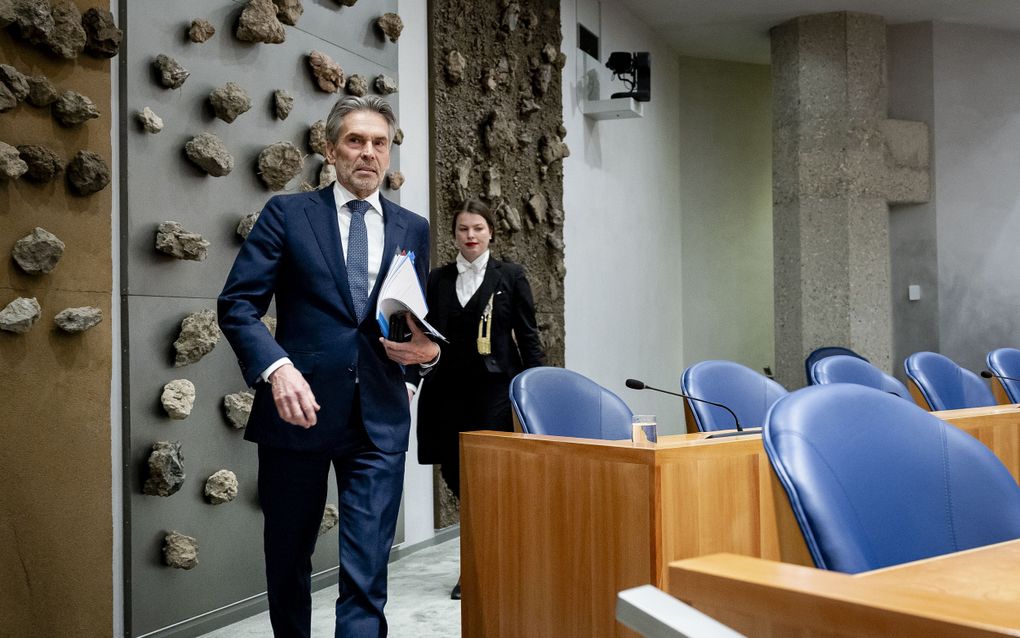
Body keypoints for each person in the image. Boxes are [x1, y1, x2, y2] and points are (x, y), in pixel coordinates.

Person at [217, 95, 439, 638]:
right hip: (299, 413)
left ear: (389, 154)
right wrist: (277, 368)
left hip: (380, 417)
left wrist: (427, 359)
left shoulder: (414, 228)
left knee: (367, 569)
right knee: (288, 559)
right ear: (331, 149)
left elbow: (410, 319)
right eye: (355, 141)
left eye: (379, 143)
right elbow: (238, 305)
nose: (368, 153)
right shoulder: (288, 214)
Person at [415, 199, 545, 598]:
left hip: (493, 394)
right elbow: (422, 335)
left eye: (477, 229)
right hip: (446, 393)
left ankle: (476, 567)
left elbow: (528, 338)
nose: (470, 236)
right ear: (454, 235)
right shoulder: (436, 279)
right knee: (457, 478)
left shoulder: (511, 276)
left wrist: (537, 391)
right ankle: (490, 551)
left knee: (485, 480)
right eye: (462, 230)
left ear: (490, 232)